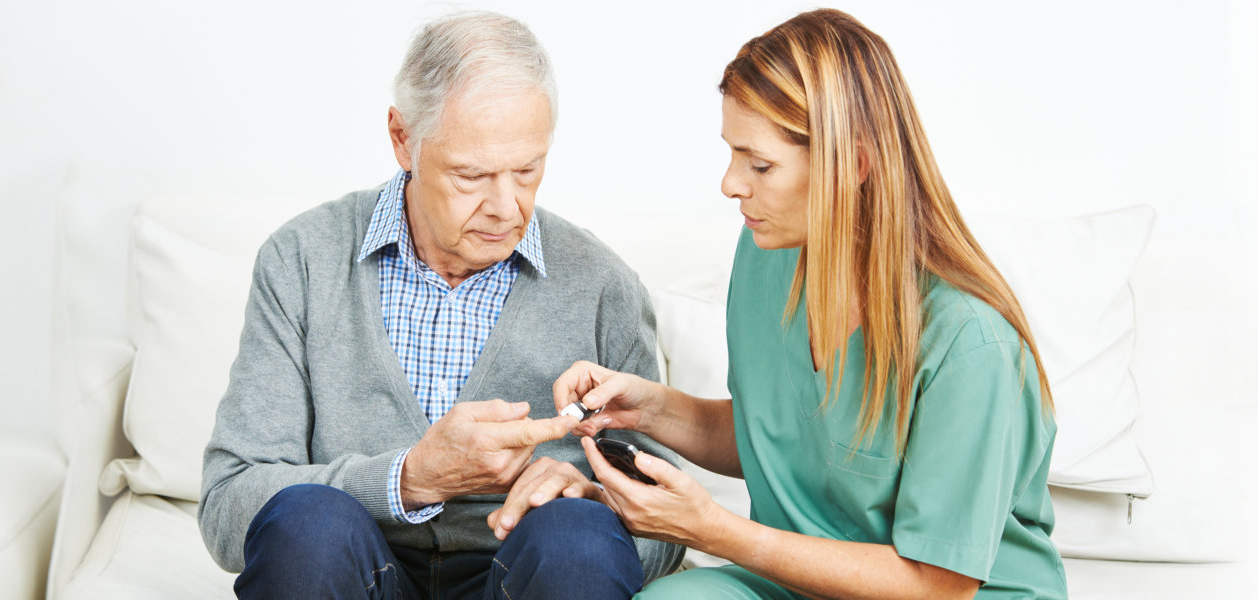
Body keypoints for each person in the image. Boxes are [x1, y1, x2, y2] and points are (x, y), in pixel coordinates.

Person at [542, 9, 1069, 599]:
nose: (731, 184)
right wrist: (651, 409)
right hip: (796, 581)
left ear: (857, 166)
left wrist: (716, 532)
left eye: (760, 164)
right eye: (733, 154)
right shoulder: (768, 251)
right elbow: (781, 439)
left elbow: (938, 586)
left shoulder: (970, 343)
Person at [196, 11, 682, 600]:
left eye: (528, 170)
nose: (507, 207)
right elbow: (228, 506)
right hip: (351, 573)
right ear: (403, 140)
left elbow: (668, 526)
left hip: (522, 576)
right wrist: (409, 479)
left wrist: (597, 499)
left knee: (578, 539)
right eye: (471, 175)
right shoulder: (301, 260)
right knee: (308, 524)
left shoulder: (604, 286)